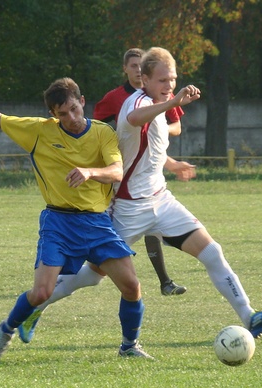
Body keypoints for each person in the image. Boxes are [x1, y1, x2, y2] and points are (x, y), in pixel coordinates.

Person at [18, 47, 262, 344]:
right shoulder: (138, 102)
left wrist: (172, 162)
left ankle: (250, 316)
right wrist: (172, 101)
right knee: (91, 276)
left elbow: (149, 149)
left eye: (172, 79)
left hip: (162, 201)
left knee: (212, 252)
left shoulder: (159, 103)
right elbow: (134, 118)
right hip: (127, 208)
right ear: (143, 79)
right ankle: (35, 306)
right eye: (162, 81)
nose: (168, 86)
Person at [0, 78, 154, 360]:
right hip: (59, 222)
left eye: (73, 109)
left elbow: (117, 171)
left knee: (131, 286)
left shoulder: (103, 133)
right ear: (53, 116)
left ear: (82, 102)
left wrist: (90, 172)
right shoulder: (39, 132)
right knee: (42, 292)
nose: (71, 118)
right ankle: (6, 330)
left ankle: (129, 346)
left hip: (96, 222)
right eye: (62, 114)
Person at [94, 47, 187, 295]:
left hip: (150, 176)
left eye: (140, 65)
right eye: (133, 66)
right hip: (122, 178)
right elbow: (97, 127)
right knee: (97, 267)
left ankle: (165, 281)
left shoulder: (162, 93)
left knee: (155, 225)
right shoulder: (118, 98)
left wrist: (158, 128)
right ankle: (63, 279)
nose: (137, 70)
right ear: (126, 69)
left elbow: (175, 125)